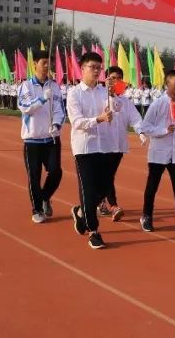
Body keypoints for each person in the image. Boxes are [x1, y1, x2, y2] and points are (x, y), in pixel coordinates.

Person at [138, 70, 175, 237]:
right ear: (167, 84)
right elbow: (144, 127)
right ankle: (147, 216)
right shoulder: (158, 104)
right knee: (152, 186)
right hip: (158, 152)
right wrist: (164, 130)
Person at [67, 52, 114, 250]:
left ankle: (81, 212)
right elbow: (76, 122)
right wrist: (99, 119)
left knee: (103, 188)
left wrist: (115, 94)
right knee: (88, 189)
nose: (96, 71)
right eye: (92, 67)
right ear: (82, 68)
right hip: (84, 147)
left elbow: (117, 109)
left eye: (98, 68)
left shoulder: (105, 91)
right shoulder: (74, 93)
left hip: (104, 146)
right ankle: (94, 232)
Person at [17, 50, 65, 224]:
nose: (47, 66)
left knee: (56, 172)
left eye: (49, 63)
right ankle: (37, 209)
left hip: (51, 138)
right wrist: (43, 99)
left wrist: (56, 124)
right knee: (34, 176)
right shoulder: (26, 86)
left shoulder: (55, 86)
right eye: (43, 63)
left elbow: (60, 110)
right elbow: (25, 107)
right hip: (33, 140)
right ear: (35, 64)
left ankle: (45, 197)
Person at [98, 67, 142, 221]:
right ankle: (114, 206)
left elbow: (135, 118)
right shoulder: (98, 98)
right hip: (102, 144)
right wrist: (108, 95)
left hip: (119, 145)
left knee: (108, 175)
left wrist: (141, 132)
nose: (114, 81)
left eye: (117, 78)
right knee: (107, 175)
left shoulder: (125, 101)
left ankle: (99, 200)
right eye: (111, 78)